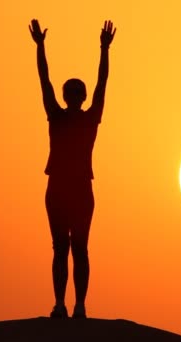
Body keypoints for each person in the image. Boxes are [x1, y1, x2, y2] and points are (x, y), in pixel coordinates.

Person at [29, 19, 116, 319]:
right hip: (61, 189)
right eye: (73, 92)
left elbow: (102, 84)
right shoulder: (57, 116)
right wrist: (40, 48)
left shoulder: (88, 118)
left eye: (77, 92)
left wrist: (104, 51)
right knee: (63, 248)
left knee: (76, 248)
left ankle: (76, 306)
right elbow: (45, 81)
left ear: (78, 96)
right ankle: (62, 305)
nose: (76, 96)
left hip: (78, 189)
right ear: (69, 96)